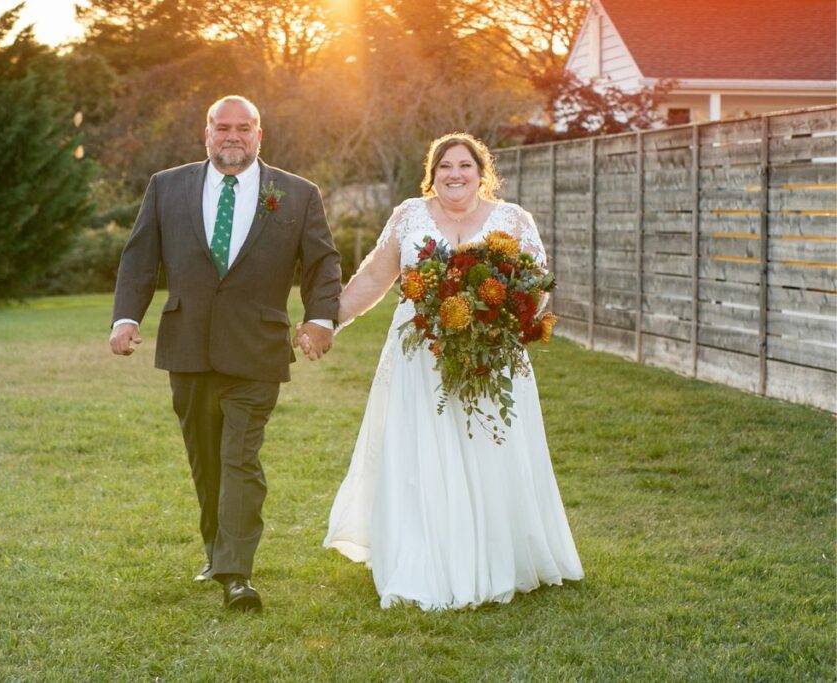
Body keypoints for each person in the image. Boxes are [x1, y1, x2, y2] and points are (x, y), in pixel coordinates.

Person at [310, 133, 583, 610]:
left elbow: (536, 288)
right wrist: (326, 321)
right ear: (431, 174)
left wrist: (496, 321)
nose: (454, 175)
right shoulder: (410, 215)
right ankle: (424, 558)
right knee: (423, 454)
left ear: (483, 173)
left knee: (489, 452)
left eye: (464, 166)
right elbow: (375, 277)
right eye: (444, 167)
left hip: (490, 355)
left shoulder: (514, 220)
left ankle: (495, 556)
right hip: (421, 356)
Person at [109, 95, 341, 612]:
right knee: (206, 460)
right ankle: (217, 552)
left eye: (244, 127)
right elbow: (140, 258)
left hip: (256, 347)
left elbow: (323, 262)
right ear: (206, 132)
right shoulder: (166, 186)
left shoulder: (297, 194)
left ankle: (237, 574)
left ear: (260, 134)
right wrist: (126, 317)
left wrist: (320, 319)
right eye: (222, 127)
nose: (232, 136)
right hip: (186, 345)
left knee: (240, 457)